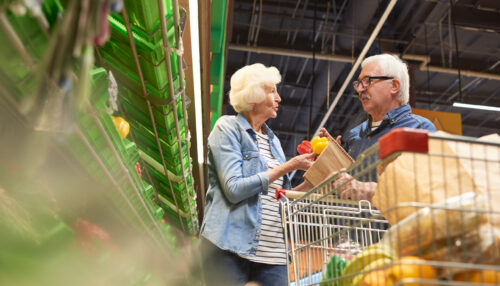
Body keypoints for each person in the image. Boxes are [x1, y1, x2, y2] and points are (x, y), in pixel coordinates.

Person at [199, 63, 316, 286]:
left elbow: (282, 197)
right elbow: (234, 189)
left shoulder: (274, 143)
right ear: (253, 95)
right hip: (229, 249)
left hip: (274, 255)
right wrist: (289, 166)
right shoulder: (228, 128)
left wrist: (314, 177)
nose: (279, 98)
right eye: (272, 91)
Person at [319, 53, 436, 201]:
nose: (360, 89)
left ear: (394, 86)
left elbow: (427, 188)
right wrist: (330, 158)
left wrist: (371, 191)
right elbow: (341, 186)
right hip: (352, 223)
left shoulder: (419, 129)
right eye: (358, 83)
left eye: (367, 81)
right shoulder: (354, 135)